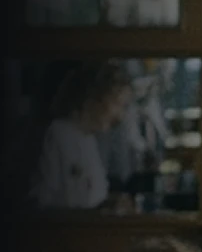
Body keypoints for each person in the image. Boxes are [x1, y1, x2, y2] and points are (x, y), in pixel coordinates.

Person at [30, 61, 131, 209]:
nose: (120, 116)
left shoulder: (88, 139)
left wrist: (110, 203)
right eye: (117, 103)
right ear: (92, 98)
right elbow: (40, 204)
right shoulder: (56, 134)